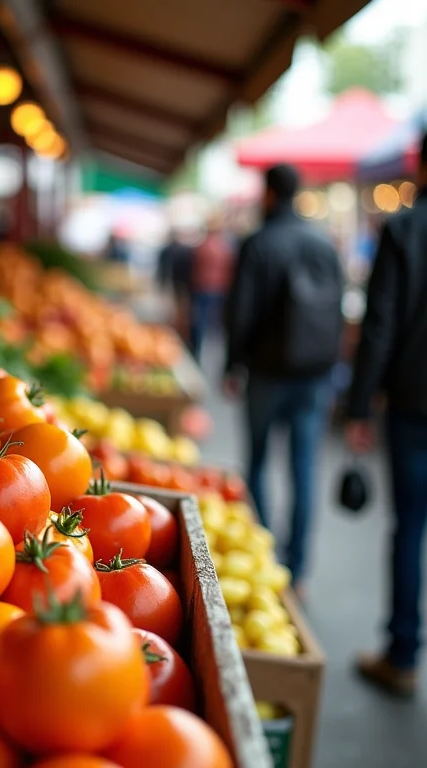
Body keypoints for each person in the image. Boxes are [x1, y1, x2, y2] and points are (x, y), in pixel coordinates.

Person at [224, 164, 344, 594]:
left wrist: (231, 364)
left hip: (267, 371)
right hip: (314, 373)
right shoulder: (323, 242)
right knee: (303, 466)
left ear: (269, 193)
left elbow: (241, 310)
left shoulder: (259, 243)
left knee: (256, 460)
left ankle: (260, 555)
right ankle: (297, 569)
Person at [345, 133, 427, 696]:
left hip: (413, 404)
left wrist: (359, 406)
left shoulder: (403, 230)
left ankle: (402, 655)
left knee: (410, 529)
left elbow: (379, 328)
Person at [189, 214, 235, 361]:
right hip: (217, 289)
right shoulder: (224, 247)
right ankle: (207, 350)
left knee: (201, 321)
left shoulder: (203, 246)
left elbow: (195, 269)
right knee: (213, 324)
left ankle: (198, 350)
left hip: (205, 288)